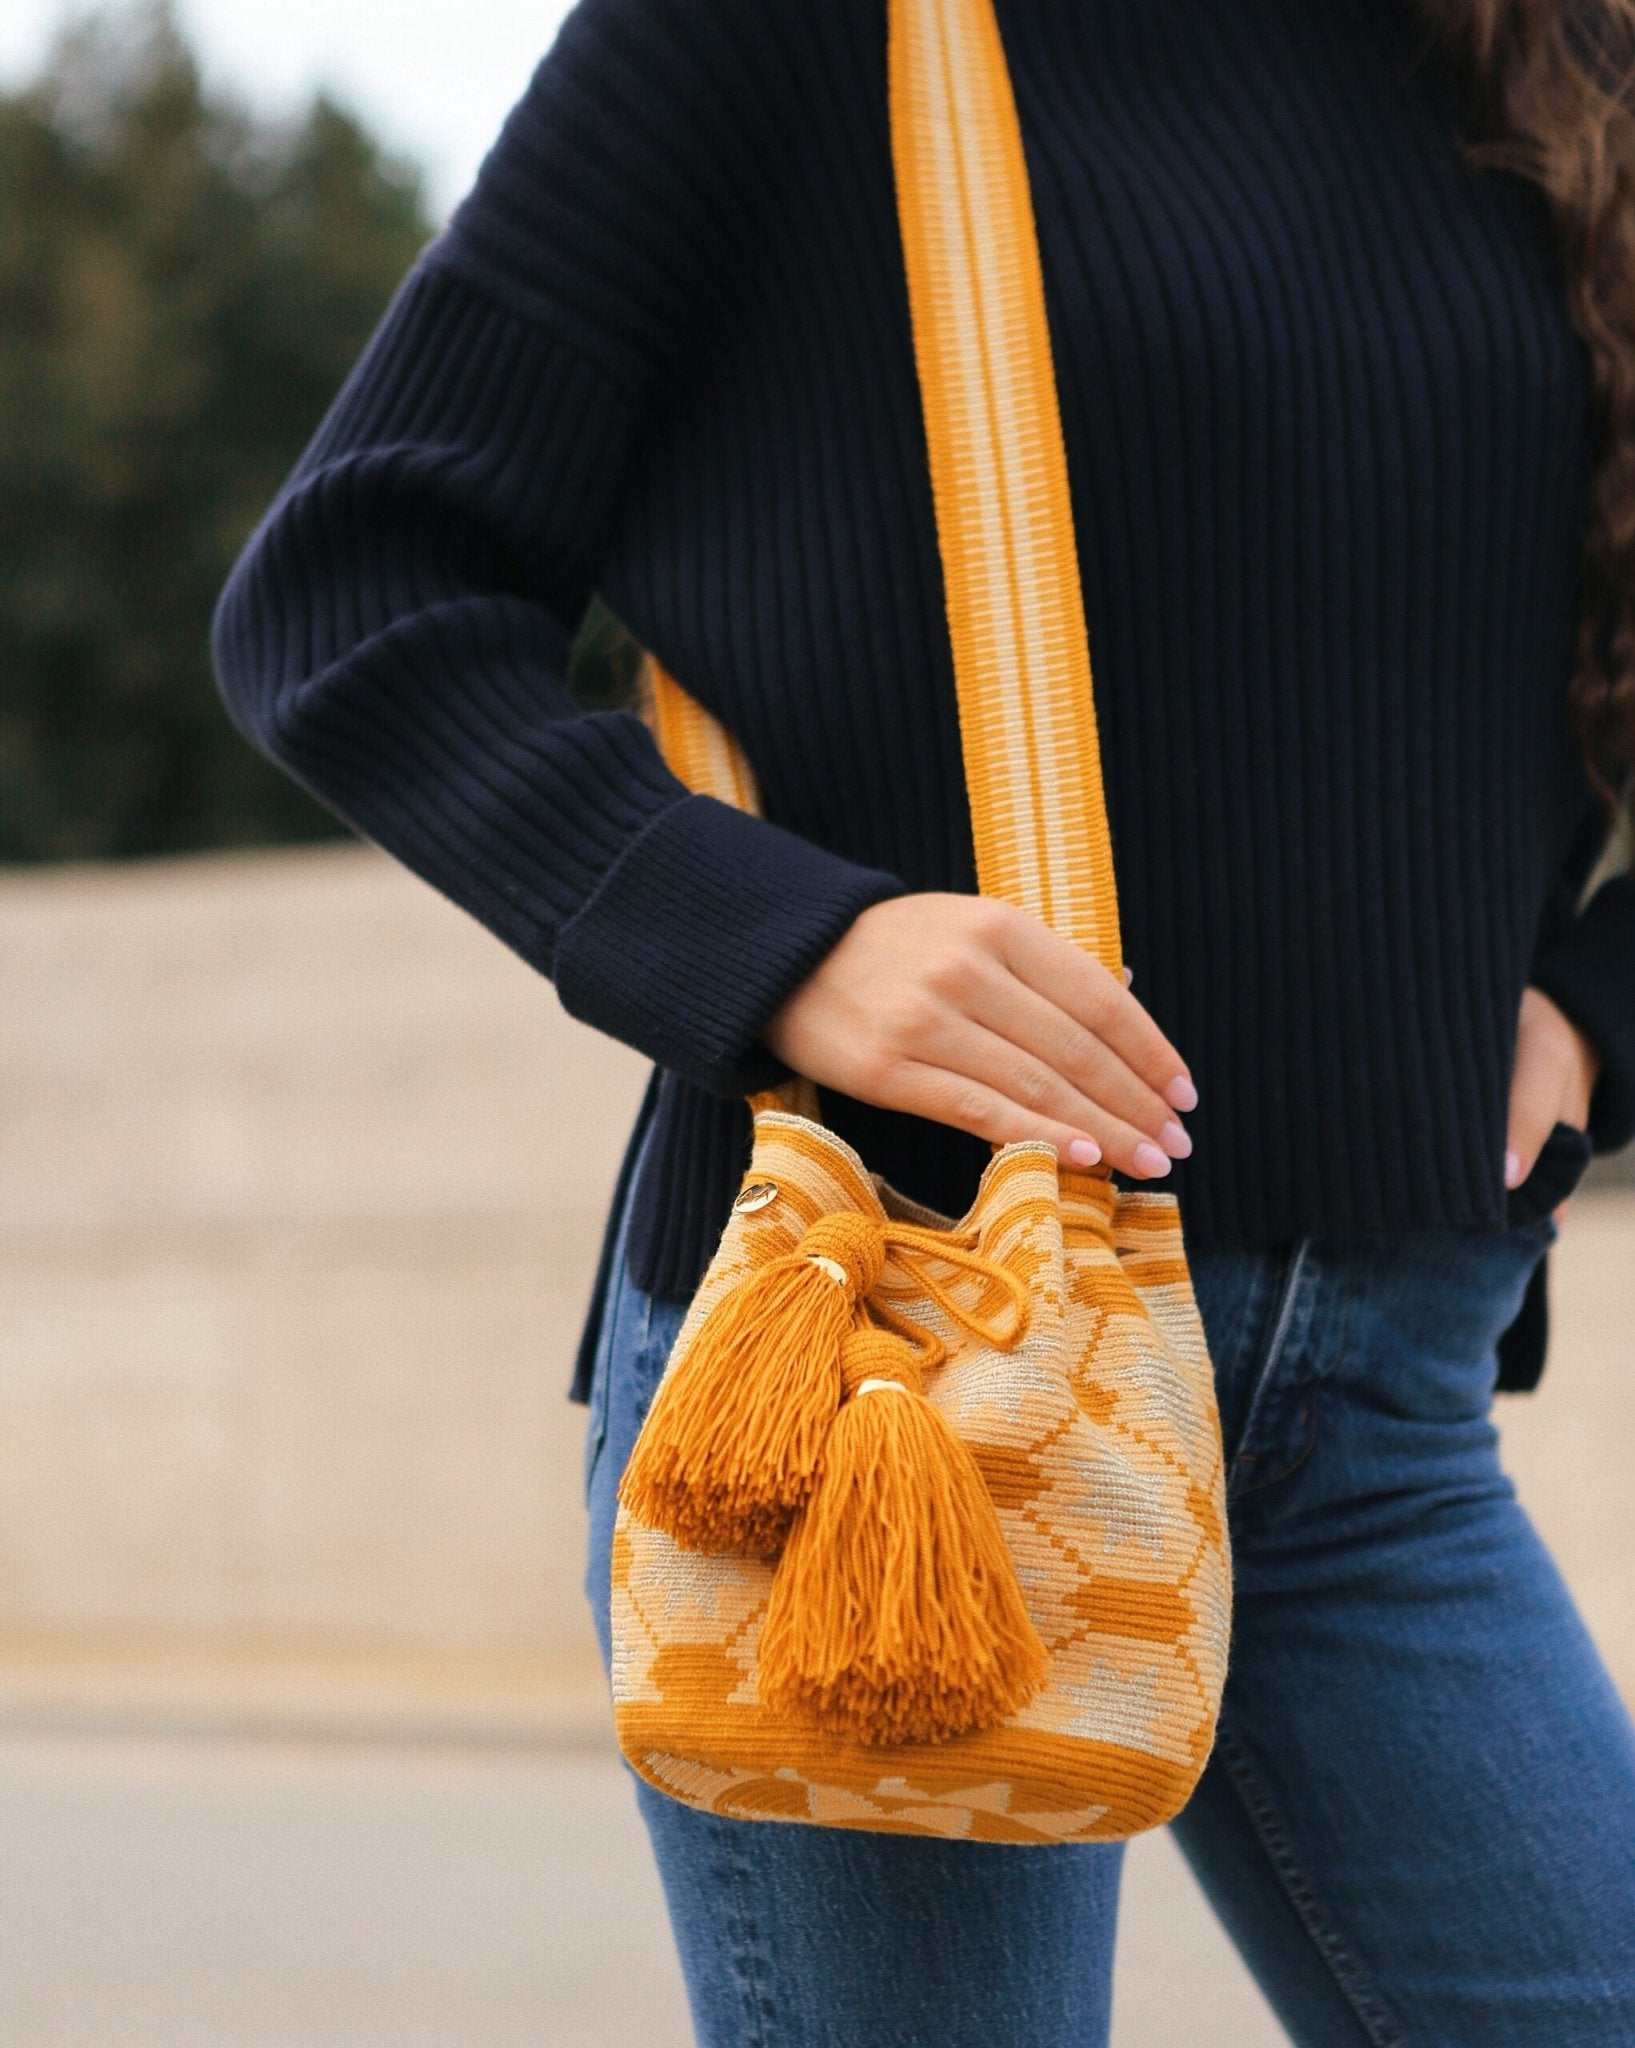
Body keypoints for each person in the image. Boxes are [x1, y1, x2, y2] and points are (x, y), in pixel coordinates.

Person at [213, 0, 1635, 2038]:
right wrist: (779, 939)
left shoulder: (1555, 59)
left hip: (1375, 1416)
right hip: (885, 1385)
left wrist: (1594, 1013)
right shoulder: (775, 33)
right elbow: (349, 588)